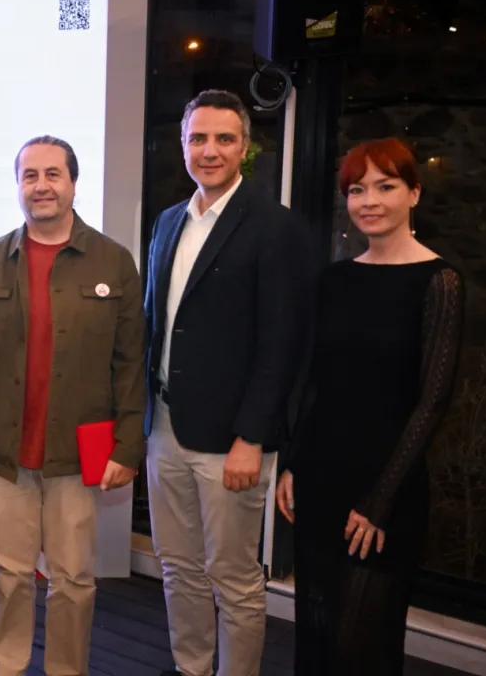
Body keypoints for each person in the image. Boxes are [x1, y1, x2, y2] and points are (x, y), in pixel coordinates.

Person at [0, 135, 145, 675]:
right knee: (9, 576)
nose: (41, 186)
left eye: (53, 174)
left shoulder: (113, 261)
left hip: (77, 456)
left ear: (73, 183)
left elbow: (131, 364)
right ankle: (6, 667)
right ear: (18, 185)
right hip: (3, 453)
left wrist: (127, 446)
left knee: (74, 579)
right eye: (30, 175)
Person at [276, 138, 464, 674]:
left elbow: (432, 402)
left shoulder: (440, 282)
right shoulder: (335, 279)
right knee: (317, 630)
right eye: (357, 190)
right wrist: (294, 464)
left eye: (386, 186)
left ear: (414, 193)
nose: (370, 201)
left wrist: (380, 502)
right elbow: (317, 384)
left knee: (364, 646)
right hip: (321, 478)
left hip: (386, 487)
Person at [143, 89, 312, 676]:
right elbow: (158, 324)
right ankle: (192, 667)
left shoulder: (276, 228)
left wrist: (252, 437)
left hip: (232, 440)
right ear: (182, 144)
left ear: (245, 148)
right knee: (177, 565)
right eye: (198, 138)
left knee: (234, 576)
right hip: (164, 427)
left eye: (223, 139)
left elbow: (281, 343)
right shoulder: (169, 221)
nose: (209, 150)